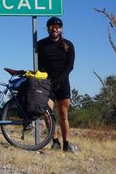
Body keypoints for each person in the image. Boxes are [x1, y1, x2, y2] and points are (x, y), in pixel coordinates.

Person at [37, 17, 76, 152]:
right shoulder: (41, 44)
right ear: (48, 28)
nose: (55, 28)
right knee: (47, 113)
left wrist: (58, 81)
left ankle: (66, 144)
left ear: (61, 29)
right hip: (47, 83)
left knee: (63, 114)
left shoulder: (68, 45)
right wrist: (48, 80)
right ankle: (55, 141)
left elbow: (70, 66)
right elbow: (39, 65)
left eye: (58, 26)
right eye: (52, 26)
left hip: (63, 83)